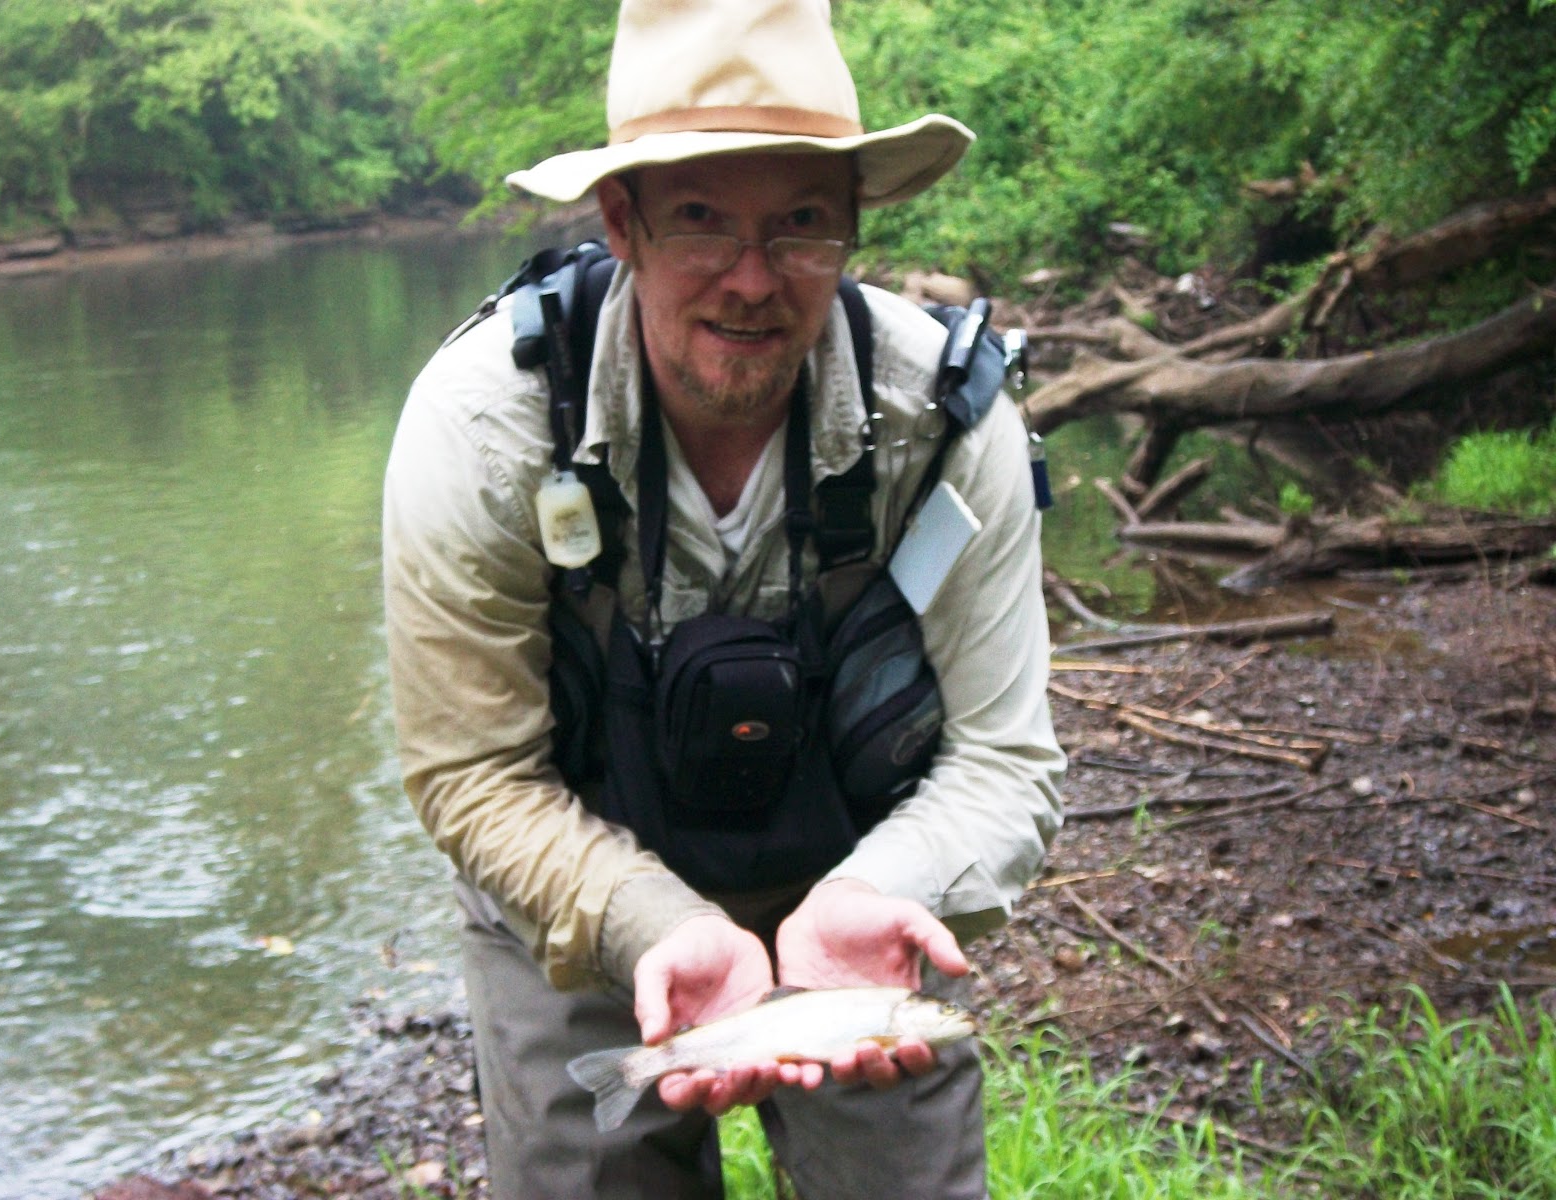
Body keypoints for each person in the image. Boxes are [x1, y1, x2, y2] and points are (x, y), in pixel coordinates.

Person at [381, 0, 1064, 1195]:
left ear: (852, 228)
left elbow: (1005, 758)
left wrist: (877, 895)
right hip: (576, 875)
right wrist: (651, 923)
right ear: (621, 222)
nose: (752, 281)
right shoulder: (482, 428)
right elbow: (474, 775)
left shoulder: (949, 421)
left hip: (864, 877)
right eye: (700, 219)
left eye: (800, 224)